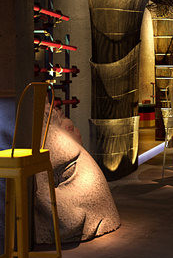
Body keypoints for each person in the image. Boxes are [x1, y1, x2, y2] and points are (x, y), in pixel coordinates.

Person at [34, 103, 120, 244]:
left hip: (84, 213)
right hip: (95, 211)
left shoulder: (50, 137)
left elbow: (39, 186)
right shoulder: (54, 135)